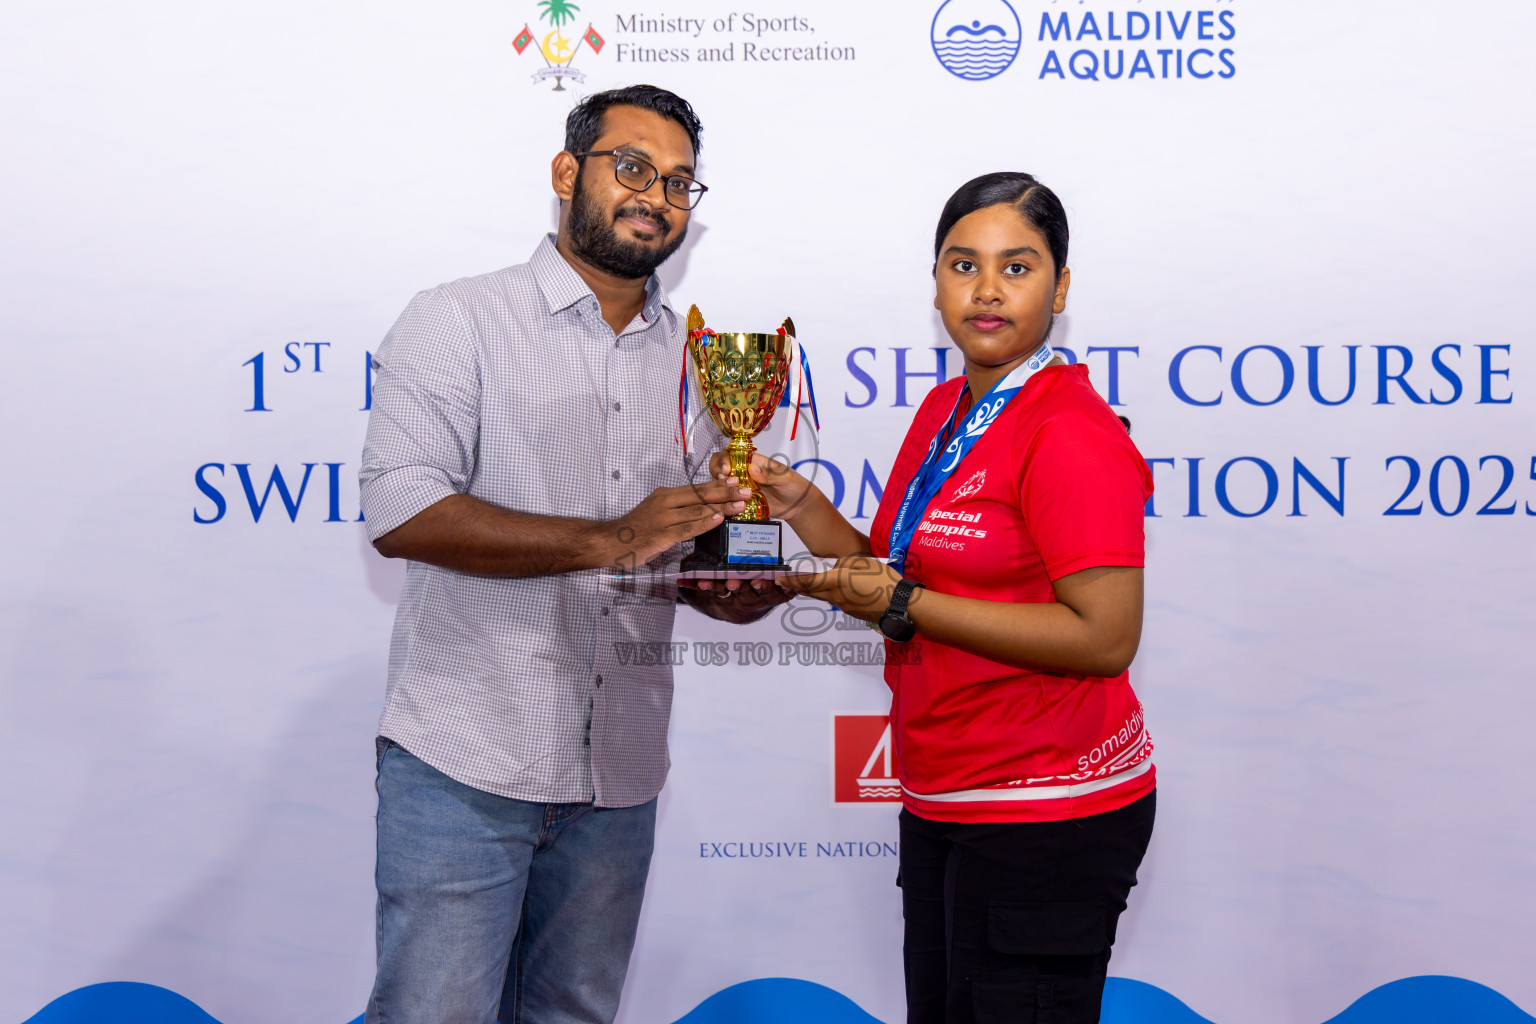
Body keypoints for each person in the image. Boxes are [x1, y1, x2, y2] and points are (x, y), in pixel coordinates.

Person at [358, 84, 786, 1024]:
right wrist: (616, 537)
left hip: (618, 774)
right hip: (462, 764)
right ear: (567, 172)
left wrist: (727, 585)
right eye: (633, 167)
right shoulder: (456, 319)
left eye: (680, 183)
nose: (656, 196)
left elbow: (684, 555)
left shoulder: (703, 364)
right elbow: (400, 508)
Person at [715, 172, 1156, 1022]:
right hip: (946, 790)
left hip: (1047, 805)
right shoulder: (949, 409)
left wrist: (900, 603)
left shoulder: (1067, 431)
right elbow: (892, 570)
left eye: (1018, 268)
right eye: (963, 265)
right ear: (936, 284)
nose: (986, 290)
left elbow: (1106, 639)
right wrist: (796, 500)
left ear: (1061, 287)